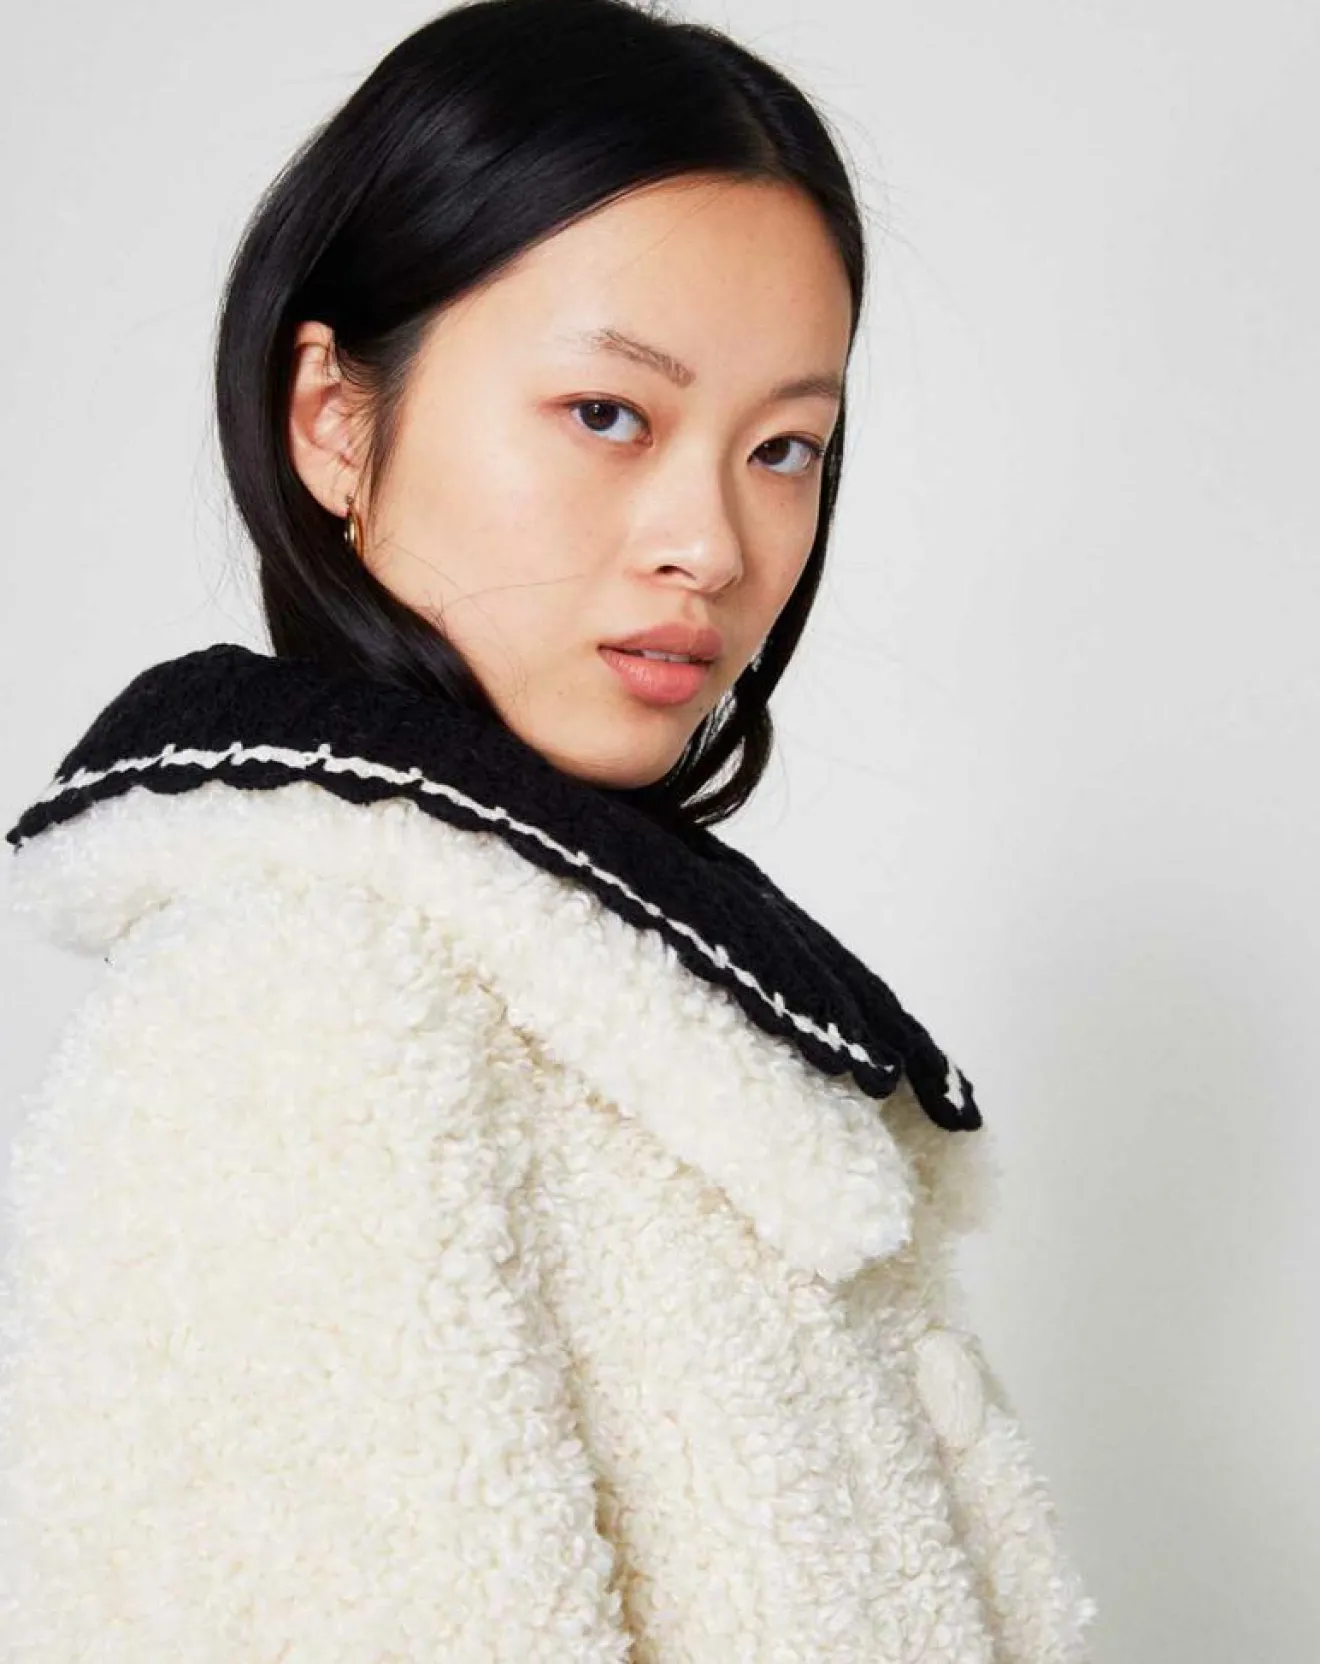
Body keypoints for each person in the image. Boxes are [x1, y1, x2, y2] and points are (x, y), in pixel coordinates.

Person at [0, 0, 1098, 1656]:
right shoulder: (302, 1019)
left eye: (784, 447)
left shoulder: (628, 1006)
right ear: (334, 420)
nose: (711, 543)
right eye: (608, 413)